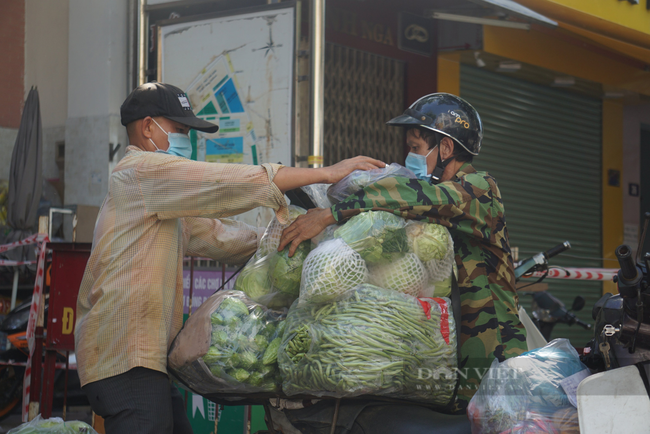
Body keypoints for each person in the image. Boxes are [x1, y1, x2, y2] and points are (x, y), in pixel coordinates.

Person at [75, 82, 384, 434]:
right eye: (179, 130)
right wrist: (326, 174)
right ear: (148, 127)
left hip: (142, 359)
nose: (186, 141)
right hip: (124, 355)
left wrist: (295, 238)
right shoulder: (140, 172)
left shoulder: (163, 198)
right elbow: (225, 182)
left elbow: (222, 237)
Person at [278, 93, 528, 414]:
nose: (408, 156)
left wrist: (332, 213)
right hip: (444, 357)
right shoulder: (435, 196)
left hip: (490, 355)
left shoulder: (479, 188)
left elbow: (411, 195)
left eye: (415, 148)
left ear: (447, 149)